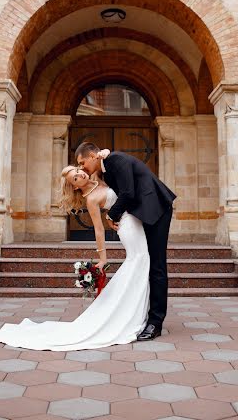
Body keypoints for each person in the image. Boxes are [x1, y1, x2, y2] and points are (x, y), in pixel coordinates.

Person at [0, 165, 150, 350]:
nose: (80, 175)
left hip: (134, 220)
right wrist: (103, 258)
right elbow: (99, 230)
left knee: (141, 261)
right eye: (75, 178)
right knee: (139, 259)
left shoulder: (96, 177)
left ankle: (135, 311)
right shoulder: (91, 199)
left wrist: (105, 154)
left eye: (78, 171)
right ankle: (130, 314)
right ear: (75, 187)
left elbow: (101, 160)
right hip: (126, 226)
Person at [76, 143, 176, 341]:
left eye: (82, 162)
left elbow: (128, 193)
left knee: (156, 266)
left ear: (93, 155)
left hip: (157, 210)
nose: (81, 168)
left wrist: (111, 216)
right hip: (141, 214)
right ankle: (142, 314)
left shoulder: (116, 160)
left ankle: (155, 322)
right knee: (145, 264)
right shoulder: (105, 167)